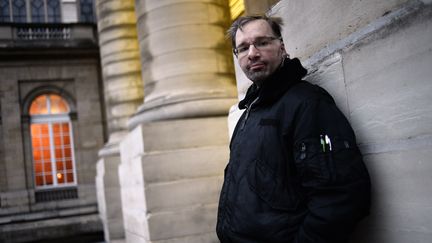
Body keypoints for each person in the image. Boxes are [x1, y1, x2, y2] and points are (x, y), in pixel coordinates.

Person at [216, 15, 371, 243]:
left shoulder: (307, 103)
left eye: (262, 42)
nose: (252, 53)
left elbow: (339, 198)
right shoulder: (251, 109)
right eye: (243, 48)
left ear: (282, 47)